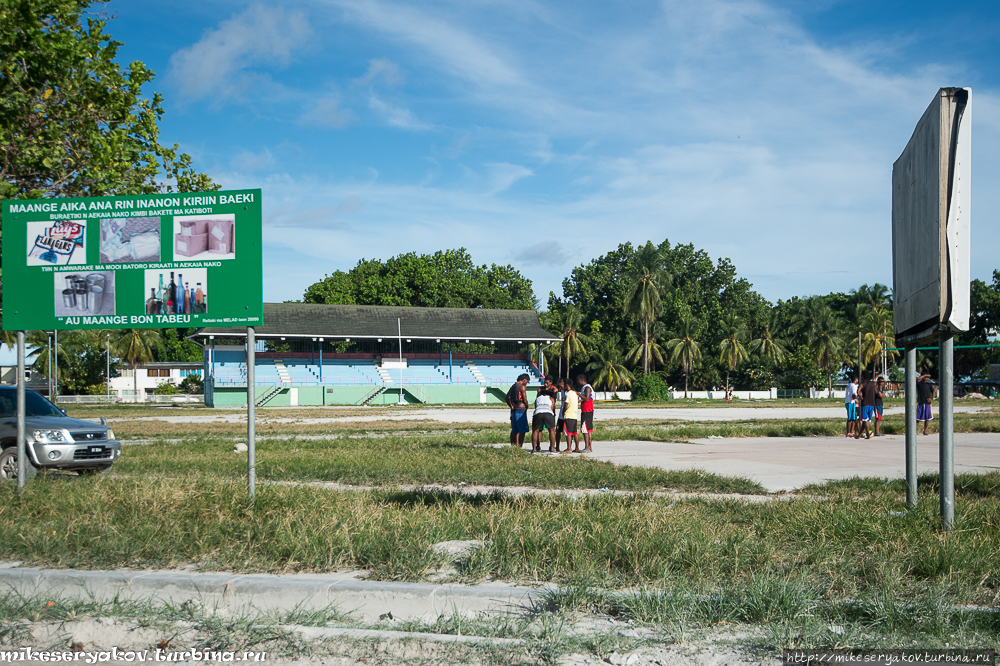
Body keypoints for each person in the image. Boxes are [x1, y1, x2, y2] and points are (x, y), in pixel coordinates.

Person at [531, 380, 557, 452]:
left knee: (535, 431)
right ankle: (552, 448)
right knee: (551, 431)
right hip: (548, 412)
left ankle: (534, 449)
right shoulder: (551, 398)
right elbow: (552, 408)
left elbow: (536, 407)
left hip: (538, 412)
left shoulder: (537, 398)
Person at [506, 373, 530, 448]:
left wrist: (512, 406)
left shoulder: (513, 386)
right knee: (522, 430)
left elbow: (507, 397)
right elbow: (524, 399)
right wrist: (527, 406)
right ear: (524, 380)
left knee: (514, 430)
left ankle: (514, 446)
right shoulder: (522, 386)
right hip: (521, 408)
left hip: (514, 410)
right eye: (527, 382)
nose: (527, 384)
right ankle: (519, 446)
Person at [576, 374, 595, 452]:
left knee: (585, 429)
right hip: (587, 410)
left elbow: (587, 399)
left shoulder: (587, 387)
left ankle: (587, 447)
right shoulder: (586, 387)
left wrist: (578, 394)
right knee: (588, 429)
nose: (577, 382)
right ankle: (589, 446)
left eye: (578, 380)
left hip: (587, 410)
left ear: (581, 380)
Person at [562, 380, 580, 453]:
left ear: (567, 385)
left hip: (568, 415)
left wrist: (563, 412)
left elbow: (566, 404)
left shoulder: (568, 394)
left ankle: (569, 448)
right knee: (574, 433)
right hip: (574, 416)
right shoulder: (575, 394)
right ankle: (577, 447)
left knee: (568, 433)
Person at [856, 371, 875, 439]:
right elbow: (876, 392)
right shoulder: (873, 384)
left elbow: (858, 391)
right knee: (865, 420)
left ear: (863, 376)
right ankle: (859, 435)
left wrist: (860, 397)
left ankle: (868, 435)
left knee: (864, 420)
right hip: (872, 404)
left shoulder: (862, 384)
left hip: (865, 404)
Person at [916, 370, 936, 435]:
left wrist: (932, 398)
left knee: (927, 418)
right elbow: (918, 379)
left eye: (926, 377)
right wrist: (925, 375)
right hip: (921, 402)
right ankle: (914, 431)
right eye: (924, 377)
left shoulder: (929, 384)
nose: (925, 378)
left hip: (927, 403)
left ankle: (925, 431)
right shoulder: (919, 384)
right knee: (917, 418)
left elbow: (933, 391)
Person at [554, 378, 568, 451]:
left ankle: (570, 447)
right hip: (561, 414)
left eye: (560, 386)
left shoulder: (570, 391)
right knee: (558, 431)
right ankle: (557, 446)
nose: (560, 388)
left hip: (567, 414)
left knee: (568, 431)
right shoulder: (562, 391)